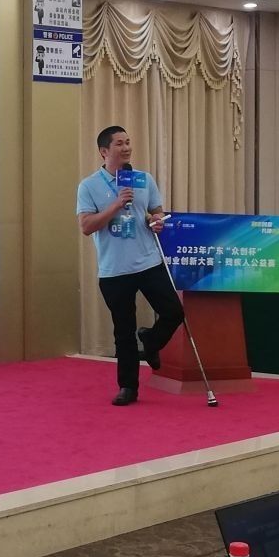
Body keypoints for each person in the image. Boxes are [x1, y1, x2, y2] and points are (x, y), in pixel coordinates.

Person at [76, 125, 185, 407]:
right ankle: (128, 387)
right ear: (104, 151)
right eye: (119, 144)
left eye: (128, 142)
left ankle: (151, 340)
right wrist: (116, 204)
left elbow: (156, 211)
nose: (126, 148)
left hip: (149, 261)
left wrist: (157, 221)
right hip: (115, 269)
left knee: (174, 311)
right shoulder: (89, 186)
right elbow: (86, 226)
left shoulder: (143, 179)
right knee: (123, 331)